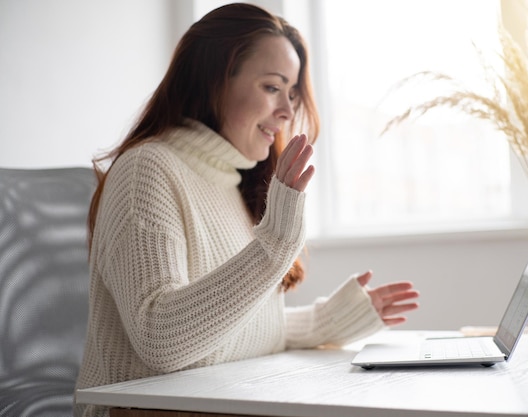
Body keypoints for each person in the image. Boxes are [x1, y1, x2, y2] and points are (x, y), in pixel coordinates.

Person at [74, 3, 419, 416]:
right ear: (214, 79)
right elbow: (160, 341)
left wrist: (329, 320)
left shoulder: (232, 181)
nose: (288, 110)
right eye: (273, 87)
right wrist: (275, 243)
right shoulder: (147, 170)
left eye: (292, 93)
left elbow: (229, 334)